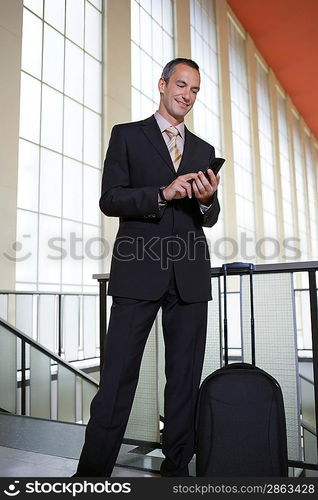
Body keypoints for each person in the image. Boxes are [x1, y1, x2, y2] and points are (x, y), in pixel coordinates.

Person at [74, 58, 220, 477]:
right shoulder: (127, 136)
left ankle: (177, 469)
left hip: (190, 277)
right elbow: (111, 199)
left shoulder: (203, 150)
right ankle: (91, 474)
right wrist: (162, 193)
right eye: (180, 85)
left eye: (194, 90)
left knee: (184, 380)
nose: (187, 95)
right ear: (162, 85)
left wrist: (207, 199)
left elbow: (208, 217)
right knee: (118, 377)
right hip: (138, 272)